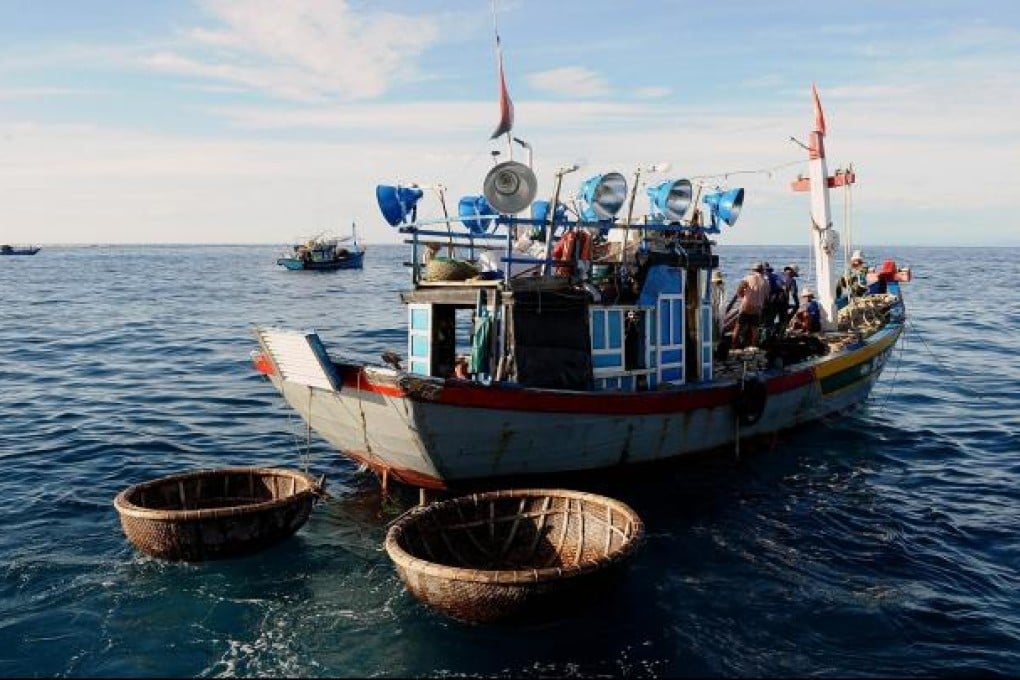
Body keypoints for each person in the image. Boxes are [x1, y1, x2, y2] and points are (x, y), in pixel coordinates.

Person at [731, 261, 769, 348]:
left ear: (753, 270)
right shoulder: (766, 281)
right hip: (757, 308)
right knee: (754, 329)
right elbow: (767, 297)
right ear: (762, 270)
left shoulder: (747, 278)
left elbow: (739, 290)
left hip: (746, 306)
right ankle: (754, 348)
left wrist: (743, 295)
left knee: (738, 326)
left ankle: (733, 346)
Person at [779, 264, 799, 329]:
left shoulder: (777, 275)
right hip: (783, 302)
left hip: (771, 301)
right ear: (792, 272)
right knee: (783, 320)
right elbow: (794, 294)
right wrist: (797, 304)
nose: (793, 276)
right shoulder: (792, 280)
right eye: (794, 274)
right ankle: (780, 334)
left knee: (768, 321)